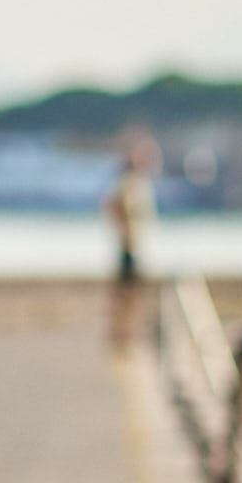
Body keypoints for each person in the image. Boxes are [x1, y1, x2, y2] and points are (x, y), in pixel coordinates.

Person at [103, 134, 159, 347]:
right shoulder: (129, 182)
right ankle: (121, 331)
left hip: (133, 243)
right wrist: (123, 227)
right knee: (127, 291)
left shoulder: (136, 181)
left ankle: (124, 330)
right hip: (129, 245)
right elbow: (112, 205)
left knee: (130, 290)